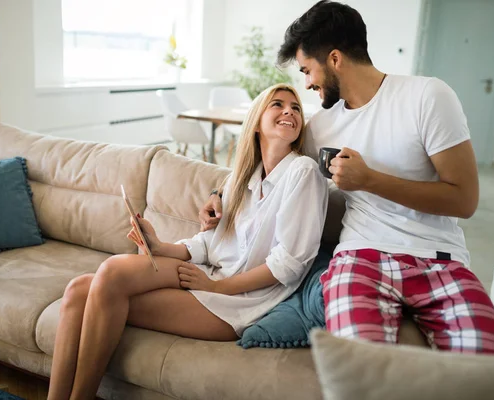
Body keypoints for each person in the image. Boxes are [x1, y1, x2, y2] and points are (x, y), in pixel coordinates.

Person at [199, 1, 494, 354]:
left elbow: (464, 200)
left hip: (438, 258)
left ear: (334, 60)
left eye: (306, 71)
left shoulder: (428, 96)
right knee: (358, 369)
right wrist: (218, 192)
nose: (306, 84)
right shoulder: (321, 127)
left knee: (492, 368)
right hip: (359, 258)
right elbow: (263, 161)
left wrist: (370, 180)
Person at [47, 83, 328, 400]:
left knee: (108, 278)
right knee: (77, 290)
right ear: (256, 121)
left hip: (240, 303)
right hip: (209, 278)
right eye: (277, 104)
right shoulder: (241, 179)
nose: (289, 111)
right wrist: (160, 247)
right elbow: (210, 244)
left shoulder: (303, 173)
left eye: (296, 108)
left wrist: (217, 288)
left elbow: (289, 264)